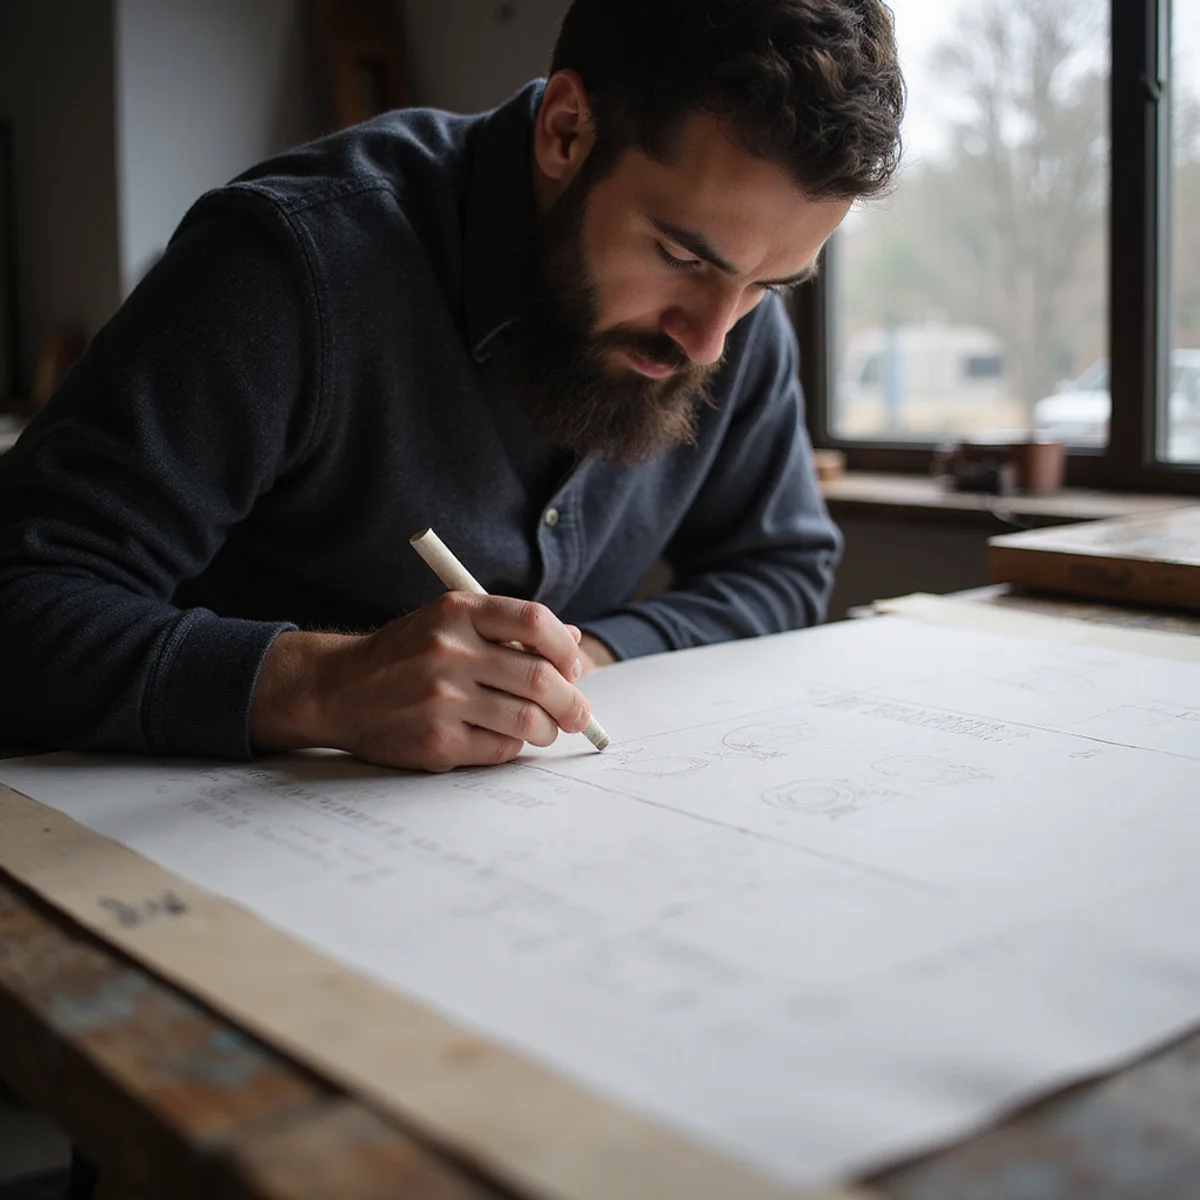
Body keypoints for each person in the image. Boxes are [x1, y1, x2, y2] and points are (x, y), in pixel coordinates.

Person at [0, 0, 904, 772]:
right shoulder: (291, 267)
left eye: (769, 287)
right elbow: (22, 597)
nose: (711, 341)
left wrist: (590, 653)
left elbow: (781, 568)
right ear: (566, 130)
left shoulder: (727, 310)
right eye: (678, 255)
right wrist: (314, 686)